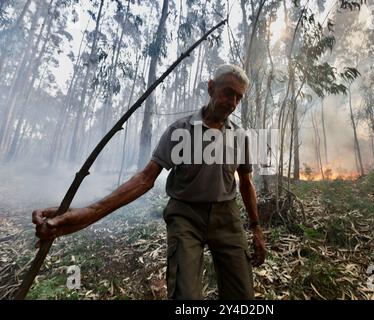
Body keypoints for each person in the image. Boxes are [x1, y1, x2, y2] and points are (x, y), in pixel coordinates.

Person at [33, 64, 267, 300]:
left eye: (238, 97)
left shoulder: (239, 136)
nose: (232, 103)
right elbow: (146, 179)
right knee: (185, 296)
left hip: (227, 217)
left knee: (242, 295)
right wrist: (87, 213)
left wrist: (256, 228)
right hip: (186, 216)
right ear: (210, 87)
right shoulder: (180, 131)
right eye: (228, 92)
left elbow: (246, 183)